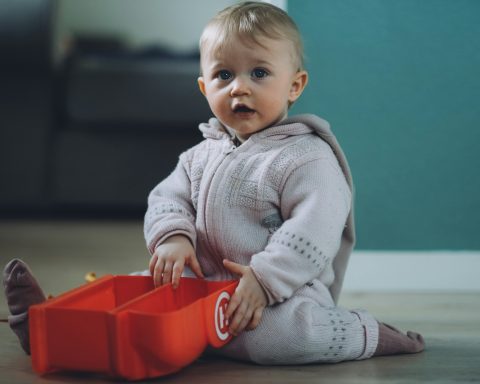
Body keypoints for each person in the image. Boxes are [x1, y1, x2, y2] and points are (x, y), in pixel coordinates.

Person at [4, 1, 424, 363]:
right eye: (224, 75)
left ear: (294, 85)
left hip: (276, 296)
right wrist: (173, 238)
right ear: (205, 87)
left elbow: (315, 228)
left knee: (276, 340)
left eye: (259, 73)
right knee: (133, 293)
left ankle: (365, 334)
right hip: (199, 285)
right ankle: (47, 327)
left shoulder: (306, 157)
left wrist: (264, 279)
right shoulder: (200, 154)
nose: (239, 87)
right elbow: (167, 199)